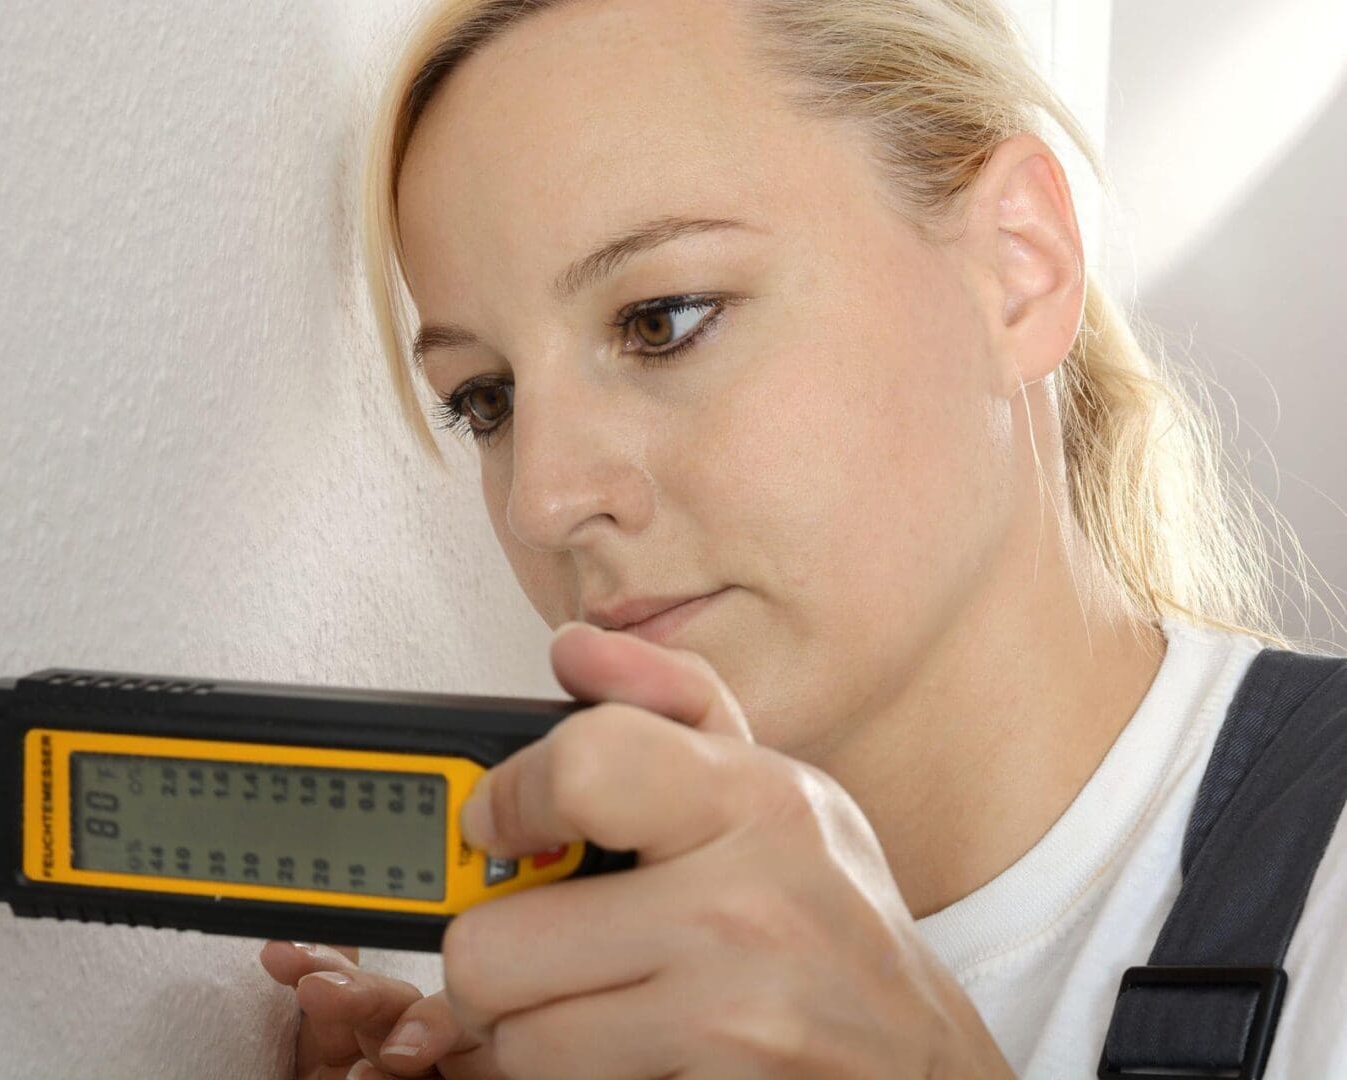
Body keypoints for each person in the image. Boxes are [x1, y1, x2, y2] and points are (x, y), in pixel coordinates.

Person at [259, 0, 1347, 1076]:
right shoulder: (540, 1003)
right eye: (487, 400)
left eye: (664, 319)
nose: (542, 501)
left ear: (1018, 265)